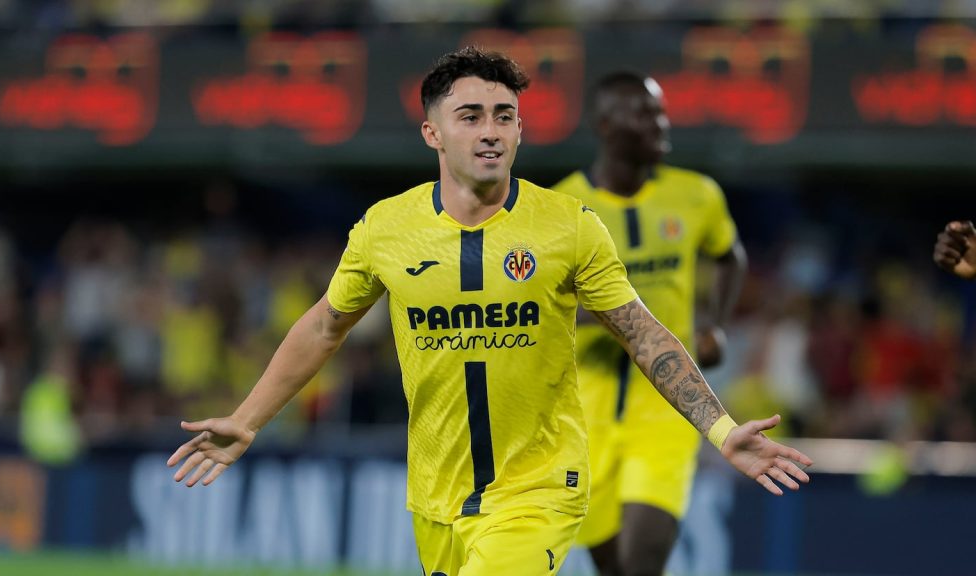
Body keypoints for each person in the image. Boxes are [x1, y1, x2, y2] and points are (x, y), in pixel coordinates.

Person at [168, 48, 811, 576]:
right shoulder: (385, 230)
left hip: (539, 489)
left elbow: (643, 333)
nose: (491, 131)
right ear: (433, 132)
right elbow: (324, 325)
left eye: (505, 116)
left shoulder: (569, 226)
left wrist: (721, 430)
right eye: (470, 116)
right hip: (436, 497)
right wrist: (247, 420)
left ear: (520, 130)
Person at [552, 71, 748, 576]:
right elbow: (533, 306)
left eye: (660, 111)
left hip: (667, 406)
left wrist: (715, 323)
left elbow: (730, 256)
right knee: (614, 569)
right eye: (644, 113)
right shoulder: (559, 210)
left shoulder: (696, 195)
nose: (661, 123)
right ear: (605, 125)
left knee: (642, 564)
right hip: (583, 413)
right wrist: (599, 315)